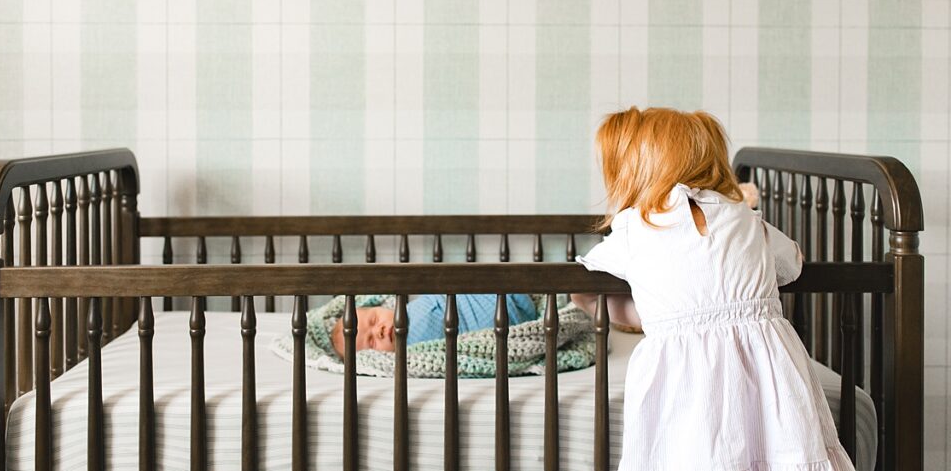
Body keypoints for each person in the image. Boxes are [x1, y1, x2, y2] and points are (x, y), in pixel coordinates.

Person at [573, 107, 853, 470]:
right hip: (769, 373)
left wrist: (581, 298)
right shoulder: (748, 219)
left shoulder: (633, 229)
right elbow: (793, 263)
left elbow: (588, 273)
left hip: (686, 380)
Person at [330, 293, 538, 358]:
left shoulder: (411, 307)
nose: (380, 331)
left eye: (374, 320)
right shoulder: (410, 357)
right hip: (502, 331)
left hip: (497, 300)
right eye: (372, 342)